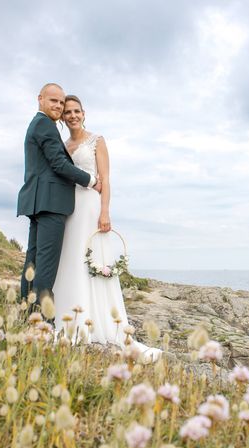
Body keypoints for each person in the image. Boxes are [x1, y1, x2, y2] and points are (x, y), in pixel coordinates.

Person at [53, 95, 161, 362]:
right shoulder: (63, 145)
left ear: (84, 113)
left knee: (92, 256)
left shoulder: (96, 141)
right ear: (63, 117)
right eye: (68, 112)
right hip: (70, 208)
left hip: (91, 207)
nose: (73, 115)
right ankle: (71, 319)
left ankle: (99, 319)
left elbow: (106, 179)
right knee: (70, 259)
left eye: (77, 111)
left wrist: (104, 211)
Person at [17, 84, 102, 314]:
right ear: (40, 99)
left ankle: (26, 315)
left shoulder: (38, 124)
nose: (58, 106)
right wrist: (91, 180)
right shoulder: (45, 124)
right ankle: (43, 322)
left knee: (33, 263)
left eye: (61, 102)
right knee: (45, 267)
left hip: (38, 202)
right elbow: (59, 164)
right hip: (50, 203)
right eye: (53, 101)